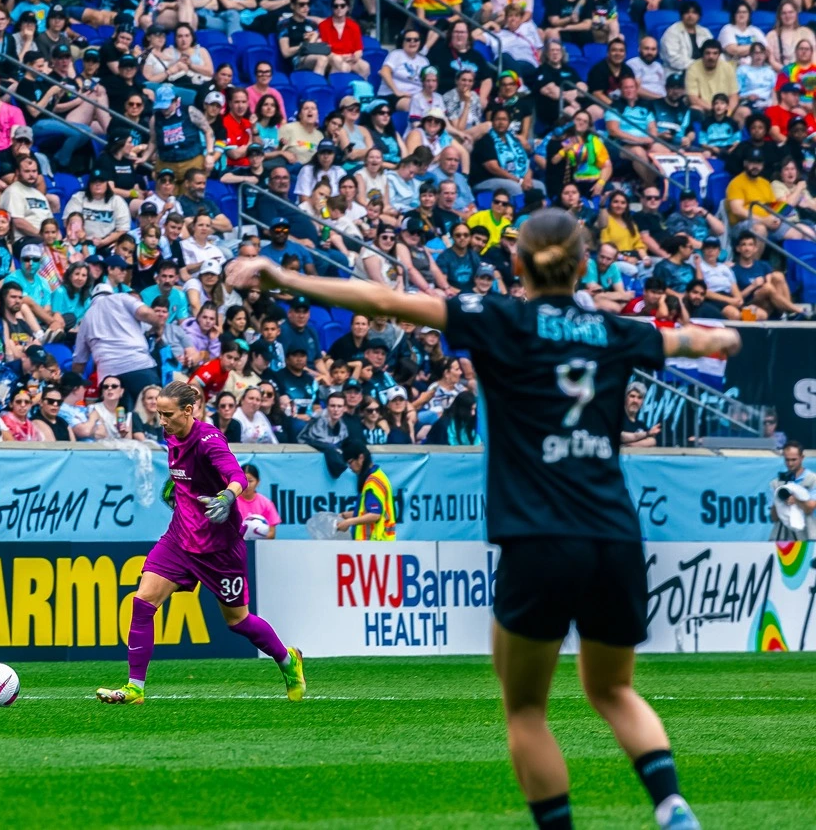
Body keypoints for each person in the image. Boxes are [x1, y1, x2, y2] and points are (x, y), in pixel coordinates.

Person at [228, 208, 742, 830]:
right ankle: (672, 806)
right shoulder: (615, 331)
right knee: (614, 691)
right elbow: (707, 342)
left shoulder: (499, 320)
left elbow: (383, 299)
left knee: (526, 708)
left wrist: (283, 278)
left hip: (539, 539)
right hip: (613, 536)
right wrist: (719, 337)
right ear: (584, 265)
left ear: (516, 264)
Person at [96, 381, 305, 706]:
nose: (162, 421)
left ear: (189, 410)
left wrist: (226, 496)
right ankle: (135, 688)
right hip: (180, 538)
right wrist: (178, 492)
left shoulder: (209, 440)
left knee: (237, 620)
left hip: (219, 549)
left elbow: (235, 475)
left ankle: (287, 659)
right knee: (143, 602)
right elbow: (186, 477)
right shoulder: (171, 433)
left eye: (168, 414)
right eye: (159, 414)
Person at [335, 443, 397, 540]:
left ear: (361, 458)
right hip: (380, 544)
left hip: (375, 544)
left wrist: (349, 522)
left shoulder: (372, 482)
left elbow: (375, 514)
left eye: (350, 462)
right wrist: (346, 515)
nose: (350, 467)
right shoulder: (378, 476)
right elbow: (369, 511)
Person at [769, 440, 816, 540]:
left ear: (802, 458)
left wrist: (795, 500)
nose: (790, 463)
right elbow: (774, 517)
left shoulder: (812, 480)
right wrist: (778, 500)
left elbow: (809, 509)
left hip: (807, 536)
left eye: (794, 460)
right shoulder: (776, 483)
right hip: (782, 537)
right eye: (787, 460)